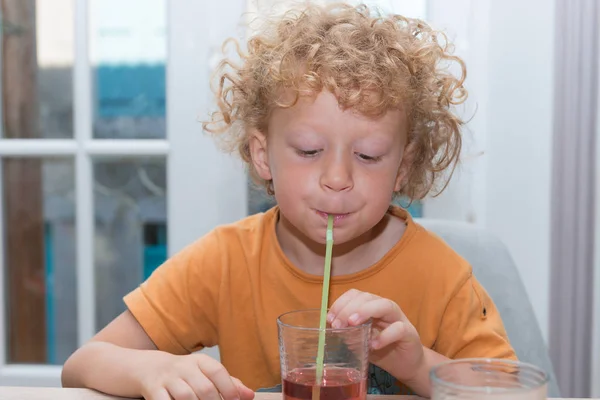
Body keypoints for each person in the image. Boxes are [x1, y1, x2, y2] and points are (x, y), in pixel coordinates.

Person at [61, 3, 516, 399]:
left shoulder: (443, 277)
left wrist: (418, 366)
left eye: (369, 155)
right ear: (263, 156)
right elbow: (82, 365)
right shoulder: (225, 262)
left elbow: (511, 393)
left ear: (402, 166)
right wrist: (151, 368)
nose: (337, 178)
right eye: (308, 150)